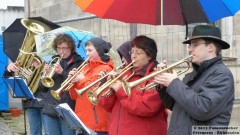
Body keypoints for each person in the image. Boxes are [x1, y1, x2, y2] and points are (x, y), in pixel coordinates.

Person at [154, 25, 235, 135]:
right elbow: (174, 105)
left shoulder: (222, 74)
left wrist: (174, 83)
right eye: (190, 45)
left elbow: (203, 109)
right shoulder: (192, 74)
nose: (189, 49)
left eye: (195, 45)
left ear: (210, 47)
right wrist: (163, 85)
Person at [98, 35, 168, 135]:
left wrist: (120, 89)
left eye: (138, 53)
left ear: (149, 56)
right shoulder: (125, 73)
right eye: (132, 52)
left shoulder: (157, 76)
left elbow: (146, 107)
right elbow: (107, 107)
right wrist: (109, 88)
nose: (133, 56)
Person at [68, 37, 114, 135]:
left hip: (97, 123)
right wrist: (73, 82)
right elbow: (74, 96)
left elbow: (98, 93)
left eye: (90, 50)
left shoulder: (106, 69)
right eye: (86, 50)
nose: (87, 53)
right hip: (82, 120)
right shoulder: (85, 67)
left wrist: (82, 79)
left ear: (99, 51)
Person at [41, 34, 84, 135]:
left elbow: (77, 84)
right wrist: (44, 75)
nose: (61, 51)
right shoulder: (53, 61)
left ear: (71, 47)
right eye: (59, 48)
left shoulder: (79, 63)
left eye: (64, 48)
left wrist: (62, 72)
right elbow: (42, 88)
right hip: (50, 108)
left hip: (68, 108)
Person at [4, 59, 49, 135]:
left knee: (49, 132)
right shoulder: (24, 60)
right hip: (30, 102)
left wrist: (40, 69)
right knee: (34, 132)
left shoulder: (48, 59)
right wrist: (8, 68)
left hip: (46, 102)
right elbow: (8, 76)